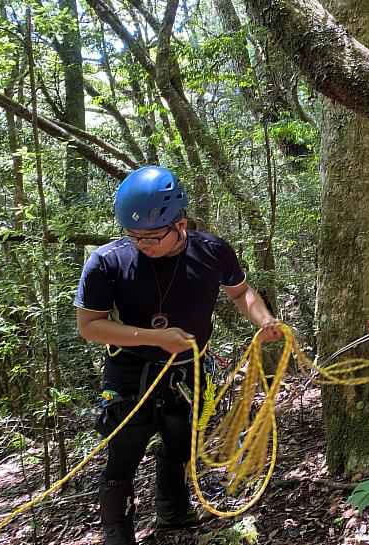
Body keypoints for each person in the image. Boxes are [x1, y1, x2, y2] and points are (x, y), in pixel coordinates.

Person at [74, 165, 282, 544]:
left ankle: (173, 512)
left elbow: (240, 292)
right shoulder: (107, 262)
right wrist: (155, 337)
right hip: (129, 372)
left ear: (181, 224)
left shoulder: (212, 252)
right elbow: (90, 325)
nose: (143, 245)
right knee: (123, 453)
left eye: (153, 236)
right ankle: (117, 537)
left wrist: (264, 320)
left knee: (180, 440)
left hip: (188, 371)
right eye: (134, 236)